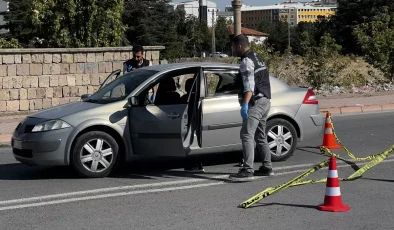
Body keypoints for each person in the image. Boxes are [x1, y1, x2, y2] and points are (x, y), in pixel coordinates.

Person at [229, 34, 273, 181]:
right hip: (266, 100)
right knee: (260, 135)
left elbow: (249, 86)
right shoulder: (257, 57)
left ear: (239, 46)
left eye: (234, 47)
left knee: (247, 134)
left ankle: (247, 170)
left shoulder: (246, 61)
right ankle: (267, 167)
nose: (233, 50)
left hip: (256, 102)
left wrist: (246, 104)